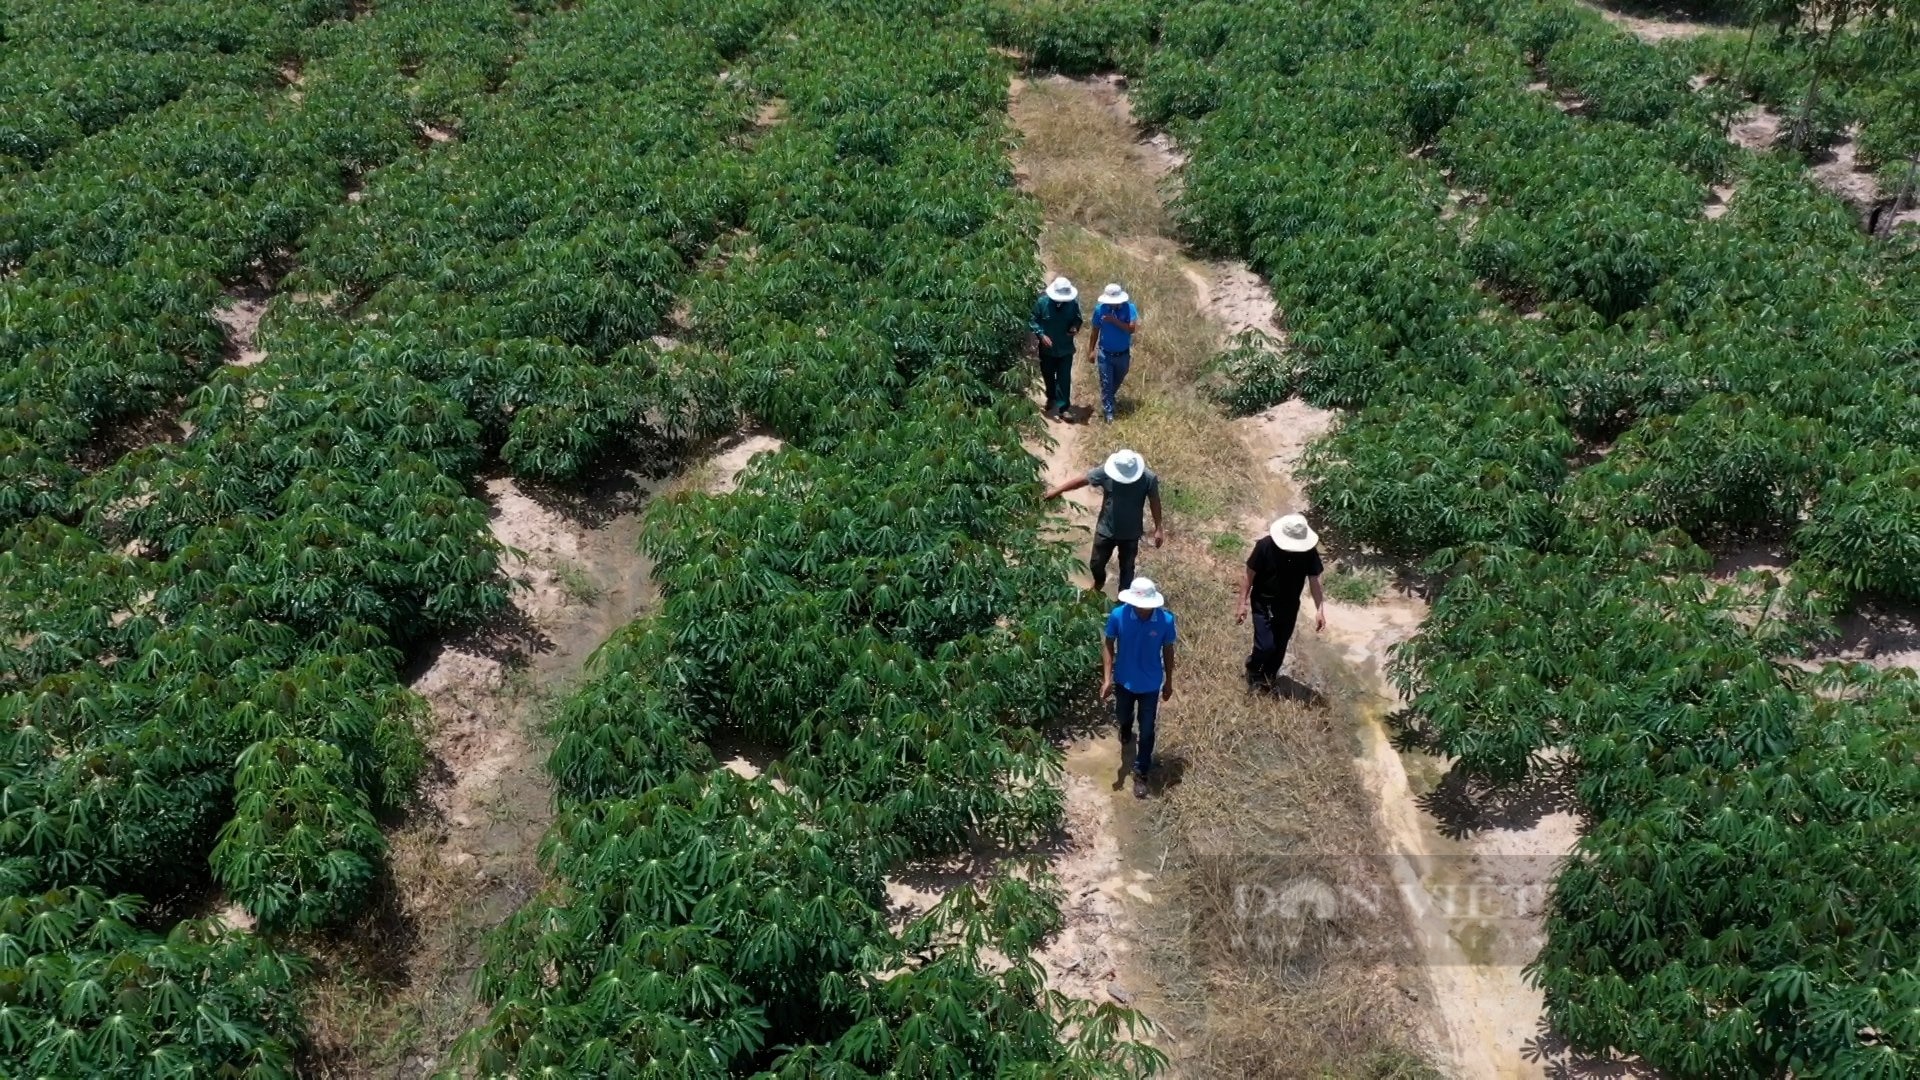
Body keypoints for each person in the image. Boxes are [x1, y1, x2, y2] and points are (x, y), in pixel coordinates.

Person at [1043, 448, 1164, 593]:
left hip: (1131, 533)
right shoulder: (1106, 472)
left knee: (1127, 568)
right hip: (1106, 529)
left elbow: (1155, 501)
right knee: (1096, 563)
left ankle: (1123, 599)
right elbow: (1082, 481)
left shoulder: (1148, 478)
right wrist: (1057, 491)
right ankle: (1099, 582)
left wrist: (1159, 528)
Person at [1235, 513, 1327, 692]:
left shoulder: (1308, 552)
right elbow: (1249, 575)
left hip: (1289, 605)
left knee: (1279, 647)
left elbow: (1315, 580)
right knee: (1265, 645)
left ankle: (1268, 680)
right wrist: (1242, 603)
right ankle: (1253, 668)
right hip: (1263, 602)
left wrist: (1320, 609)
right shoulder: (1265, 546)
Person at [1103, 577, 1176, 799]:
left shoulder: (1165, 620)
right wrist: (1106, 679)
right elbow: (1108, 644)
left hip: (1150, 684)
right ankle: (1125, 726)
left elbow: (1168, 651)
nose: (1143, 610)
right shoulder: (1119, 616)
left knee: (1147, 730)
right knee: (1122, 715)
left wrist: (1169, 682)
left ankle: (1141, 773)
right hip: (1124, 680)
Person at [1030, 277, 1082, 420]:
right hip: (1047, 349)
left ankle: (1064, 407)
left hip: (1065, 347)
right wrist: (1041, 335)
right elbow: (1033, 320)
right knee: (1048, 374)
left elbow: (1078, 319)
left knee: (1064, 377)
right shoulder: (1042, 303)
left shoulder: (1072, 305)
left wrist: (1074, 327)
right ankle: (1051, 397)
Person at [1090, 283, 1139, 423]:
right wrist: (1091, 350)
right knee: (1106, 383)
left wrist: (1114, 321)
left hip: (1123, 354)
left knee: (1118, 379)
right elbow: (1094, 331)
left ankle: (1108, 398)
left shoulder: (1130, 308)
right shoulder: (1100, 309)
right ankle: (1109, 412)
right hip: (1105, 354)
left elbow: (1131, 329)